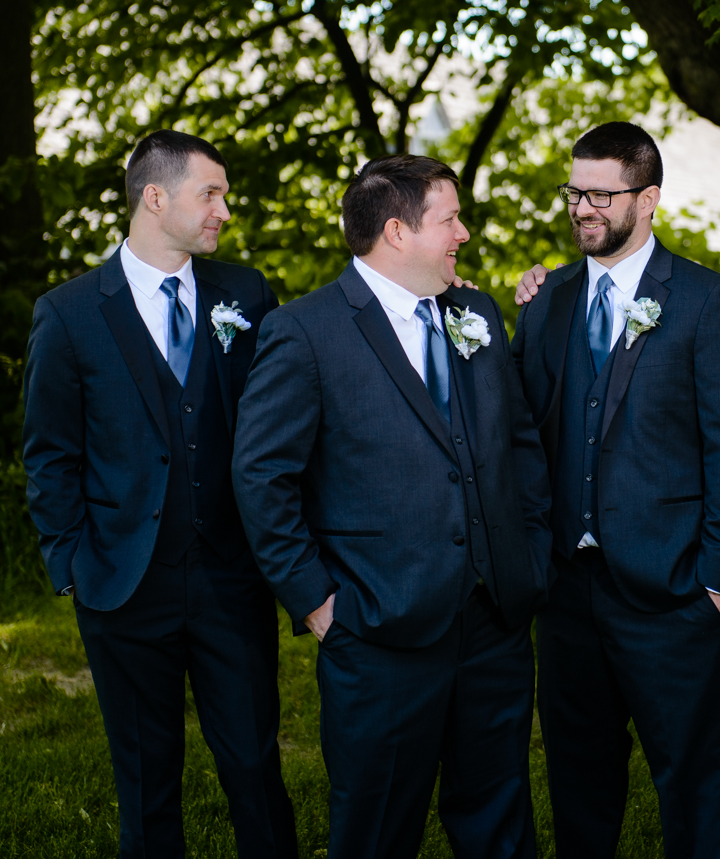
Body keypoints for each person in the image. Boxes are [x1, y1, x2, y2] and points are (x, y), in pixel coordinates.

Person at [232, 154, 553, 859]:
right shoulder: (306, 331)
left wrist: (529, 557)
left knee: (501, 823)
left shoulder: (474, 313)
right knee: (376, 830)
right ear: (397, 231)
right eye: (450, 220)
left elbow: (519, 446)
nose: (463, 233)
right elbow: (262, 477)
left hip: (493, 624)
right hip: (377, 630)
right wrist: (317, 602)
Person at [22, 129, 297, 859]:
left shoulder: (246, 293)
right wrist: (73, 564)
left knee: (255, 768)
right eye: (211, 194)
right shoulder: (69, 312)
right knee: (146, 780)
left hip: (231, 579)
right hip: (123, 584)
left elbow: (287, 410)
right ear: (155, 197)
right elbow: (50, 453)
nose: (224, 211)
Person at [509, 122, 720, 859]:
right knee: (577, 784)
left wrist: (716, 584)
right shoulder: (548, 299)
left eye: (601, 194)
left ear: (647, 199)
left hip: (674, 594)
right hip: (566, 594)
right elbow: (519, 429)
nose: (582, 208)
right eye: (574, 192)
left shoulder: (707, 300)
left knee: (692, 788)